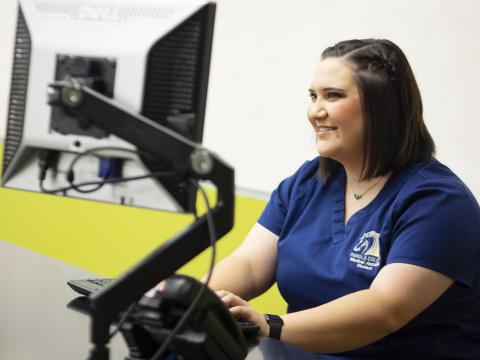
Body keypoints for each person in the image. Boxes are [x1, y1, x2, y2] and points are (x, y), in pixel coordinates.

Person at [203, 39, 480, 358]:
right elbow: (250, 266)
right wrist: (192, 297)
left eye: (332, 96)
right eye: (313, 96)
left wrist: (272, 325)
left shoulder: (438, 202)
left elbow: (384, 310)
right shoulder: (307, 183)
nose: (314, 112)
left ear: (382, 107)